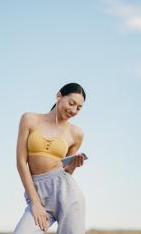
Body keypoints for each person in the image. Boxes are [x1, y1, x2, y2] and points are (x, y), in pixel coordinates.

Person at [13, 82, 87, 234]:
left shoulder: (76, 134)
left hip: (67, 192)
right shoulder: (29, 119)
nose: (73, 110)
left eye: (79, 108)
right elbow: (21, 162)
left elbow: (65, 172)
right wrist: (35, 202)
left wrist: (72, 166)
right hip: (38, 193)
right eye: (71, 103)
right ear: (59, 96)